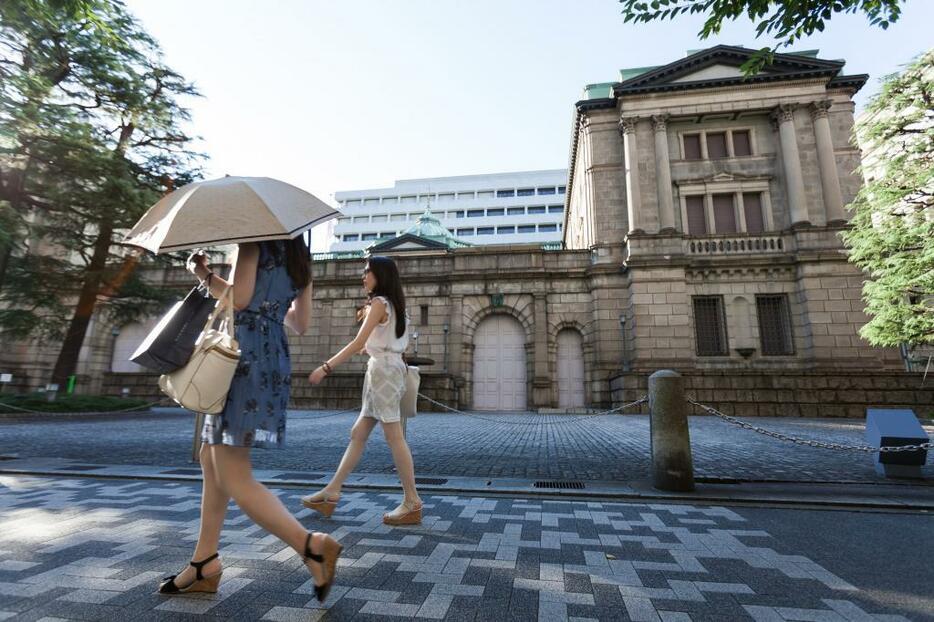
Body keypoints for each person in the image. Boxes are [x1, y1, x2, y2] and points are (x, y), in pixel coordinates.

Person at [159, 239, 342, 602]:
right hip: (271, 354)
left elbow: (238, 300)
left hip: (241, 357)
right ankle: (203, 562)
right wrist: (270, 306)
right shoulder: (300, 259)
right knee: (212, 461)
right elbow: (301, 323)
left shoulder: (253, 243)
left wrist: (203, 274)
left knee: (232, 473)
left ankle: (311, 545)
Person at [303, 255, 423, 525]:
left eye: (367, 272)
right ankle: (331, 492)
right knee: (359, 432)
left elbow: (359, 342)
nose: (363, 276)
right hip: (385, 370)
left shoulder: (380, 303)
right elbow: (377, 345)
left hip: (383, 372)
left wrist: (326, 367)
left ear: (381, 276)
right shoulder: (397, 307)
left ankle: (412, 501)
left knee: (394, 436)